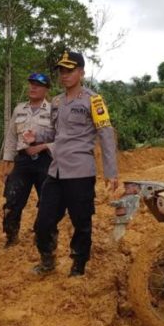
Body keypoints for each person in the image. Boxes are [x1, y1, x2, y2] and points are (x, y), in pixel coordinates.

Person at [25, 50, 119, 277]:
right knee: (43, 221)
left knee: (81, 222)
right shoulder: (56, 102)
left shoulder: (93, 100)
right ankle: (48, 260)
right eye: (61, 71)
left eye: (70, 70)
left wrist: (111, 172)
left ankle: (78, 266)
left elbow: (105, 134)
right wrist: (36, 136)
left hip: (80, 172)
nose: (64, 75)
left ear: (81, 73)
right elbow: (55, 133)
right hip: (56, 171)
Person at [1, 72, 54, 247]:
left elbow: (61, 137)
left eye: (38, 85)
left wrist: (44, 146)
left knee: (47, 203)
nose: (33, 87)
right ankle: (11, 237)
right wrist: (7, 163)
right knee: (12, 200)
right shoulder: (19, 109)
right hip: (22, 161)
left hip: (45, 161)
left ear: (46, 89)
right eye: (31, 84)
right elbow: (10, 137)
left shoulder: (53, 110)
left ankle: (44, 238)